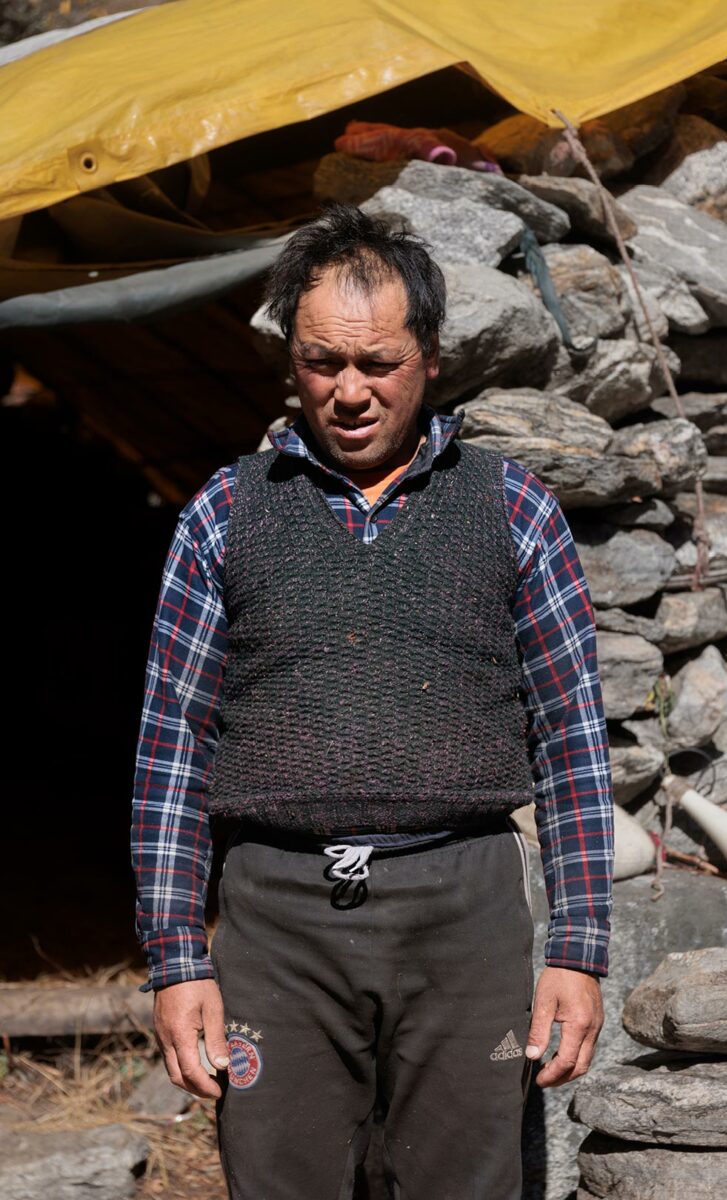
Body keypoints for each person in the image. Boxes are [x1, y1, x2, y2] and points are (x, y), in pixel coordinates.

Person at [131, 203, 614, 1200]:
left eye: (377, 363)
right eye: (322, 363)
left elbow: (569, 739)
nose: (349, 391)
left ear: (429, 358)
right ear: (290, 363)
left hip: (461, 914)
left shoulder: (510, 509)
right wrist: (178, 959)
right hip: (275, 922)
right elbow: (171, 752)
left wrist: (575, 950)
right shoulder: (225, 514)